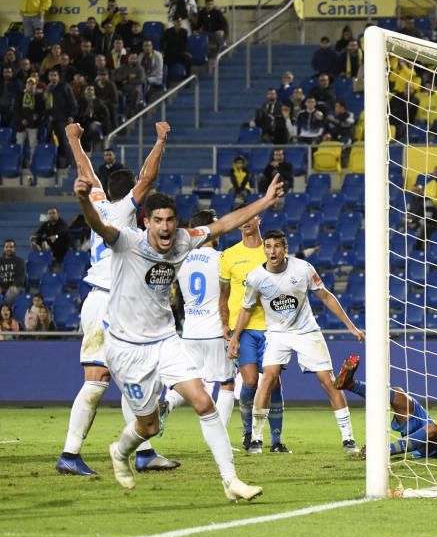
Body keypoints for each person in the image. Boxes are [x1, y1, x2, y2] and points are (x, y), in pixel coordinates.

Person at [72, 169, 284, 499]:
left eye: (170, 219)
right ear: (145, 223)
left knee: (202, 400)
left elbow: (224, 224)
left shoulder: (184, 240)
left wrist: (266, 202)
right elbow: (100, 226)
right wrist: (84, 200)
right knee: (149, 426)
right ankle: (120, 451)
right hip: (126, 348)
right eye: (158, 220)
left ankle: (231, 482)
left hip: (166, 340)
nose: (166, 227)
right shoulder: (127, 242)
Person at [54, 122, 181, 477]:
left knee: (134, 378)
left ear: (104, 189)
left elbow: (86, 172)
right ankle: (69, 452)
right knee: (96, 380)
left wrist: (73, 140)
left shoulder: (99, 203)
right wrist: (160, 140)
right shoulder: (126, 210)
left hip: (108, 300)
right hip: (108, 300)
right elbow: (148, 177)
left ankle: (144, 452)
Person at [227, 230, 364, 455]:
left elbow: (327, 296)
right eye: (268, 246)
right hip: (277, 333)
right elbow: (246, 309)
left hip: (306, 331)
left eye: (277, 246)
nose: (273, 251)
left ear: (285, 249)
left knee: (328, 381)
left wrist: (351, 327)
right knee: (268, 378)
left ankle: (348, 439)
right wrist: (235, 337)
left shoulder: (303, 269)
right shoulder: (255, 278)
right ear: (264, 250)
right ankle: (257, 440)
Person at [219, 210, 273, 450]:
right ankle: (247, 433)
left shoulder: (271, 250)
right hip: (242, 327)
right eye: (241, 219)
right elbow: (224, 295)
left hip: (271, 327)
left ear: (258, 219)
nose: (245, 222)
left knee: (274, 382)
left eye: (250, 217)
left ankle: (276, 440)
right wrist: (224, 324)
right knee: (250, 380)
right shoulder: (229, 255)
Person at [176, 209, 235, 427]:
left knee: (189, 381)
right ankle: (220, 434)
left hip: (190, 332)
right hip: (215, 331)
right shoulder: (222, 259)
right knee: (227, 383)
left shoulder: (181, 259)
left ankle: (168, 404)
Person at [0, 239, 26, 304]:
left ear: (14, 248)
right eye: (6, 247)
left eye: (11, 247)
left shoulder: (20, 261)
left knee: (10, 294)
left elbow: (21, 277)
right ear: (4, 248)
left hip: (15, 287)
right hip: (1, 287)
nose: (9, 249)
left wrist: (14, 285)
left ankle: (1, 309)